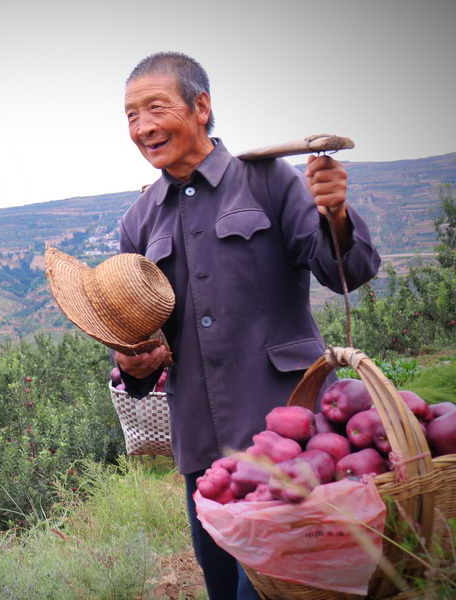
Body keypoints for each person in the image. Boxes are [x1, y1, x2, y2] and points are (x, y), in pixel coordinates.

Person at [113, 52, 381, 600]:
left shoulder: (267, 182)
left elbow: (346, 272)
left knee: (273, 589)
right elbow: (138, 339)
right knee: (223, 588)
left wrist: (336, 215)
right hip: (204, 457)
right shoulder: (139, 222)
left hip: (292, 439)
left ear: (201, 107)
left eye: (155, 108)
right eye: (131, 117)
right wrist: (132, 363)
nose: (142, 128)